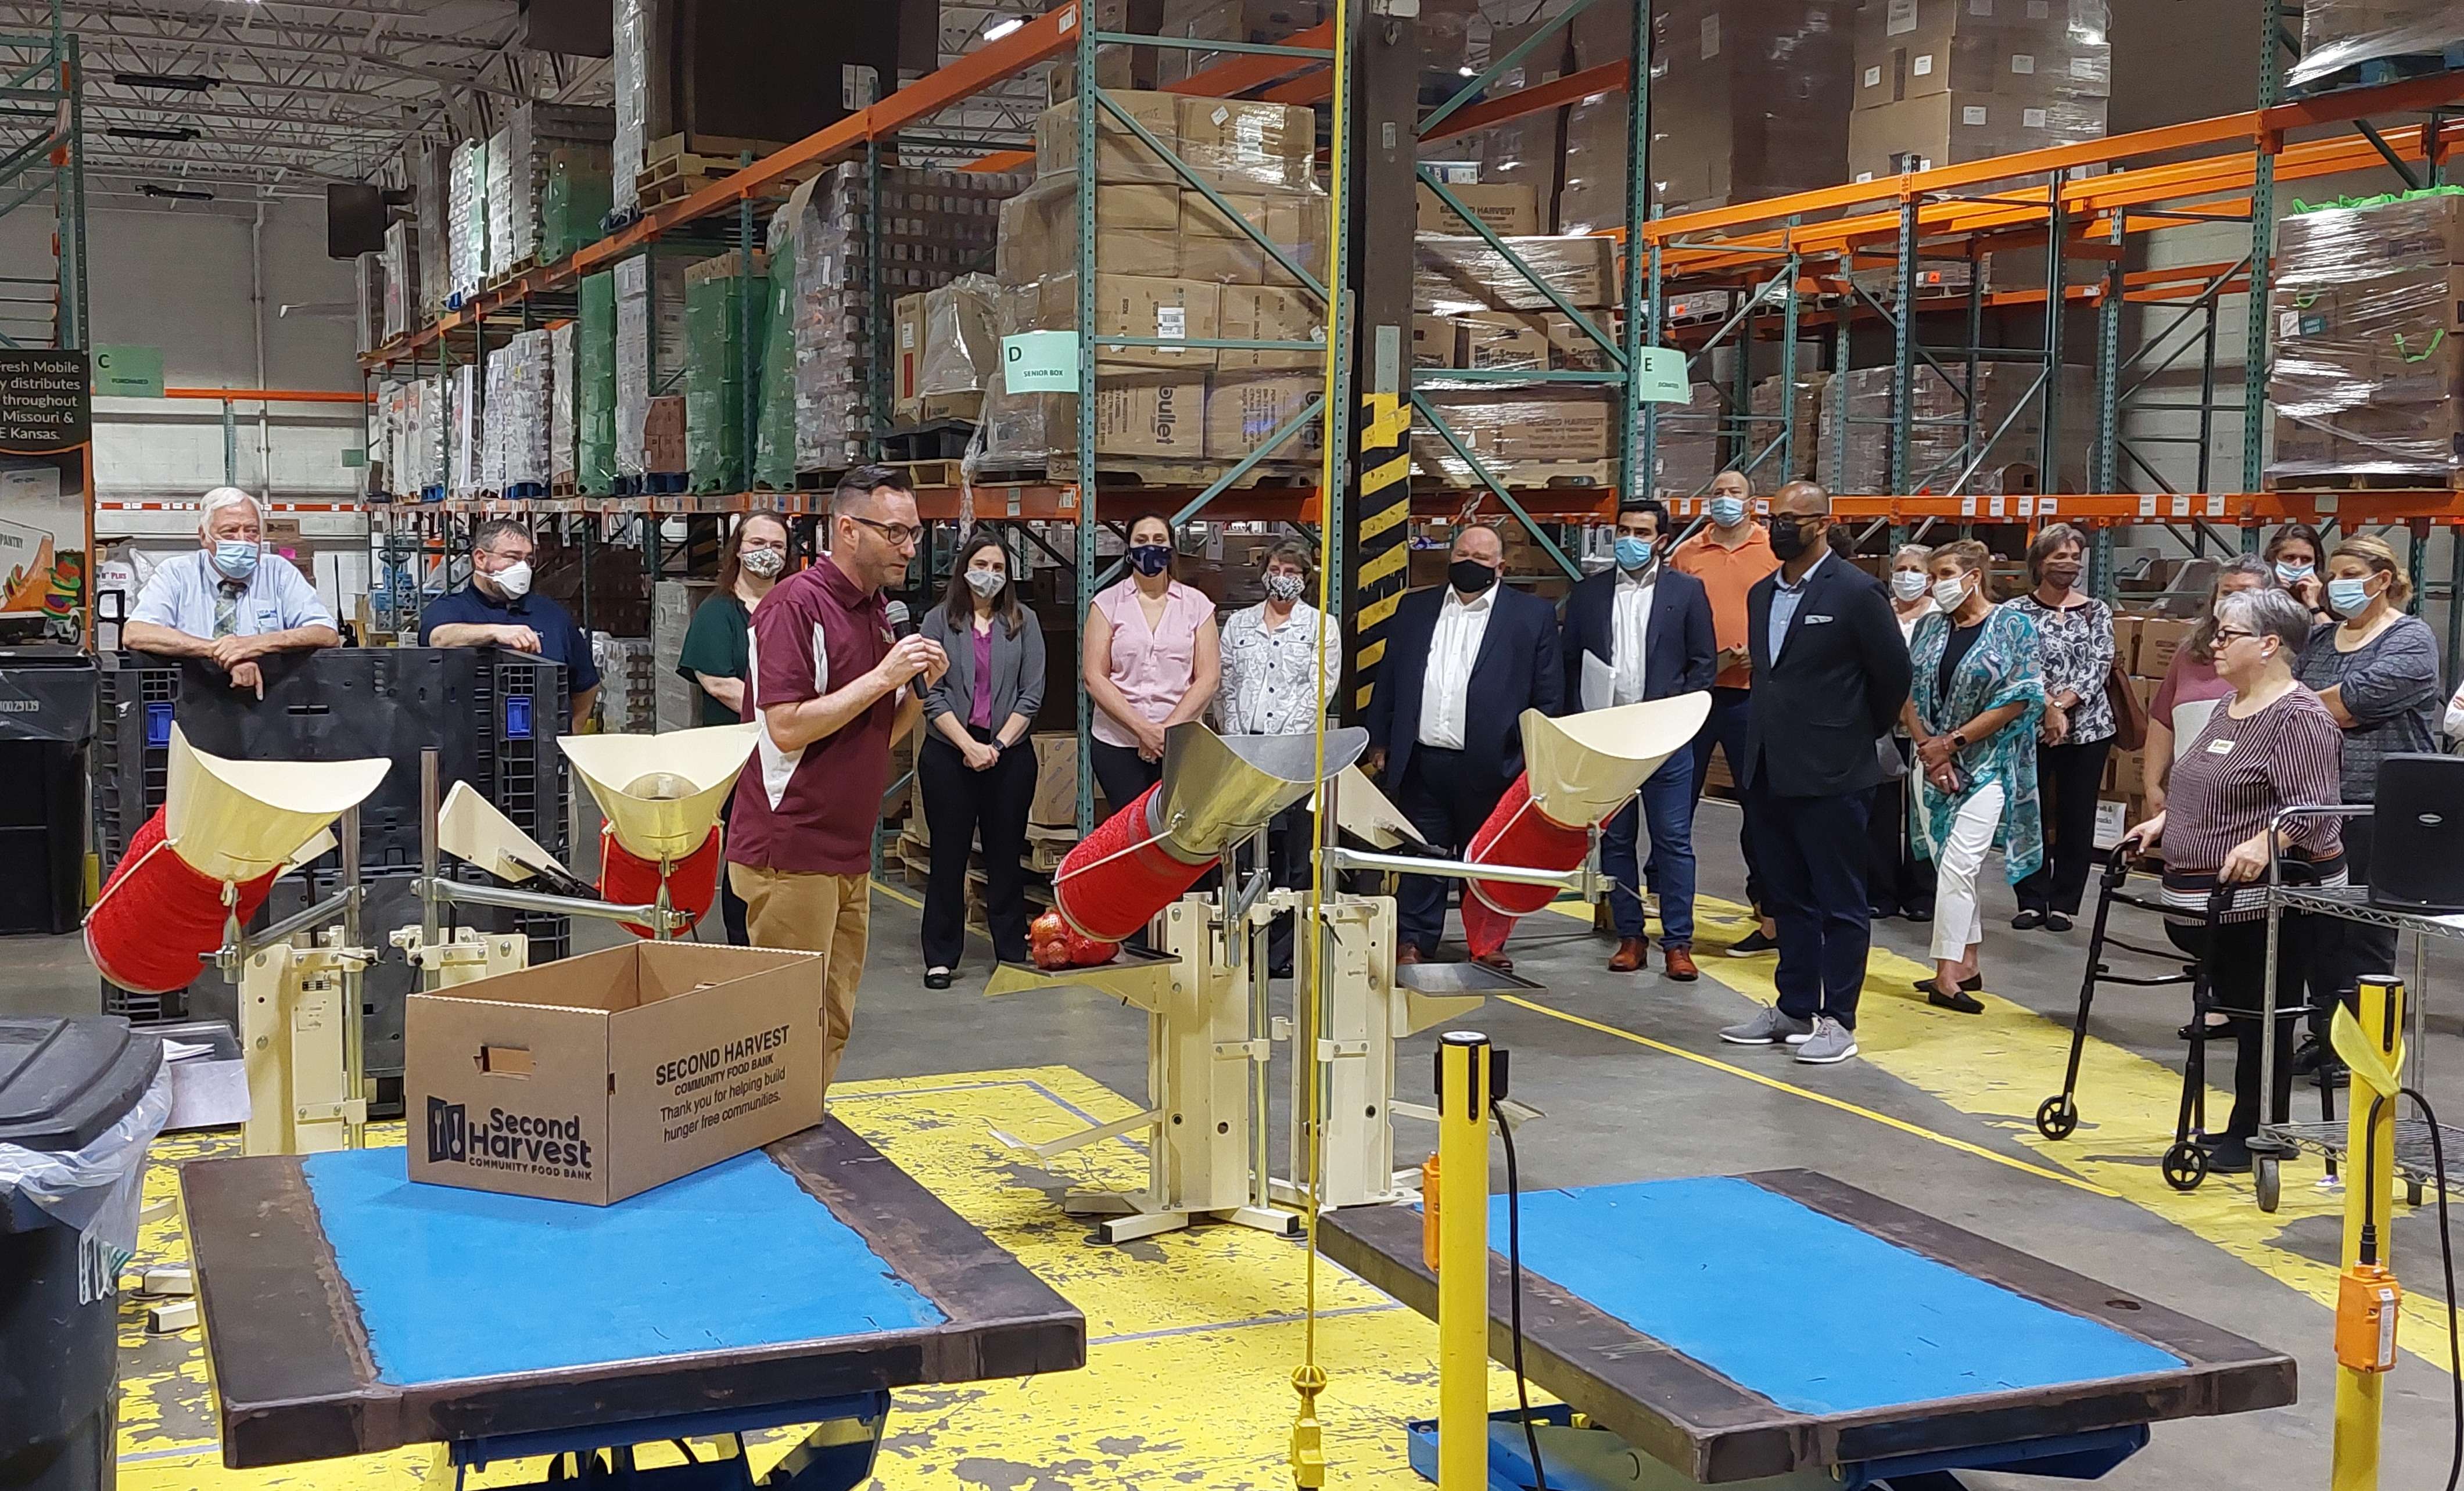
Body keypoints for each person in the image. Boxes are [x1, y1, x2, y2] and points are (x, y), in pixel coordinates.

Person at [728, 466, 945, 1100]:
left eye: (915, 533)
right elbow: (788, 727)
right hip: (792, 845)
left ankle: (800, 1123)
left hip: (849, 847)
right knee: (784, 1018)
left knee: (831, 1012)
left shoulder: (880, 611)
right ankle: (764, 1138)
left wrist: (913, 686)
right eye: (897, 533)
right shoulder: (794, 607)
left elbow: (879, 731)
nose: (910, 548)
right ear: (848, 529)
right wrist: (882, 677)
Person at [2122, 585, 2346, 1173]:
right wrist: (2165, 819)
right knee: (2244, 1009)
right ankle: (2243, 1122)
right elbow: (2208, 783)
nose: (2212, 643)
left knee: (2260, 1015)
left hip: (2269, 901)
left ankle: (2256, 1132)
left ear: (2269, 644)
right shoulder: (2230, 704)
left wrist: (2264, 840)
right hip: (2208, 902)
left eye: (2227, 634)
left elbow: (2313, 808)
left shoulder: (2297, 716)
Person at [1719, 482, 1910, 1065]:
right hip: (1768, 769)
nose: (1779, 528)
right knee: (1787, 896)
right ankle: (1794, 1005)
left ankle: (1838, 1020)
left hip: (1832, 772)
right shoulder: (1760, 594)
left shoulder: (1856, 592)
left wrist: (1850, 733)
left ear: (1822, 523)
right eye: (1772, 517)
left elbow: (1892, 676)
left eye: (1791, 519)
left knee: (1838, 901)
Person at [1363, 523, 1563, 969]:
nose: (1468, 564)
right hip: (1423, 758)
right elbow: (1390, 677)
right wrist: (1380, 737)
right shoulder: (1415, 608)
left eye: (1479, 558)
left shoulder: (1530, 616)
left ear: (1500, 566)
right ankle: (1414, 939)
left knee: (1488, 856)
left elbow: (1548, 694)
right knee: (1422, 855)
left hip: (1495, 762)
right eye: (1461, 556)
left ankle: (1487, 943)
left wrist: (1536, 758)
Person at [2292, 534, 2440, 1077]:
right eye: (2333, 574)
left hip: (2376, 808)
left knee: (2366, 934)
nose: (2337, 584)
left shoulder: (2411, 639)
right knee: (2315, 932)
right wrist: (2310, 705)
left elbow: (2351, 704)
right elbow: (2299, 701)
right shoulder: (2323, 640)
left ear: (2382, 580)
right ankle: (2326, 1036)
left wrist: (2306, 706)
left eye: (2350, 573)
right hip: (2314, 804)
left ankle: (2366, 1050)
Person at [1559, 497, 1716, 978]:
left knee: (1672, 840)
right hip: (1609, 738)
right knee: (1617, 842)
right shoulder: (1588, 595)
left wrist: (1674, 712)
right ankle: (1629, 936)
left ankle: (1677, 942)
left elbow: (1703, 663)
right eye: (1624, 531)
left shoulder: (1686, 592)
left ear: (1662, 540)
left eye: (1642, 533)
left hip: (1665, 739)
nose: (1630, 541)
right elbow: (1569, 663)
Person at [1902, 540, 2045, 1014]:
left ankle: (1944, 971)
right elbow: (1905, 688)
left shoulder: (2014, 627)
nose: (1935, 584)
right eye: (1932, 575)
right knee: (1947, 863)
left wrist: (1954, 743)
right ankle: (1968, 961)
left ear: (1973, 576)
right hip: (1931, 763)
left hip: (1989, 764)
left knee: (1961, 863)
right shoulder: (1928, 625)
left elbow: (2020, 698)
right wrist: (1930, 747)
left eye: (1943, 573)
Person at [918, 530, 1045, 988]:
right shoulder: (937, 622)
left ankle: (1010, 951)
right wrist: (968, 746)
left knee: (1005, 856)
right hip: (949, 754)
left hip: (1007, 755)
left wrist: (997, 747)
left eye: (997, 568)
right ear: (964, 568)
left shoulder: (1023, 622)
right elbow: (929, 694)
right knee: (948, 857)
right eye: (981, 565)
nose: (988, 575)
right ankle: (940, 955)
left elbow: (1032, 695)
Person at [1670, 468, 1782, 955]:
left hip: (1752, 696)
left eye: (1733, 493)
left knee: (1760, 804)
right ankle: (1664, 899)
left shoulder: (1772, 549)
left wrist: (1762, 652)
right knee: (1674, 803)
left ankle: (1769, 910)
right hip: (1695, 695)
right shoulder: (1687, 553)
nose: (1724, 500)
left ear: (1752, 502)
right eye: (1716, 492)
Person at [1218, 540, 1342, 976]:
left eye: (1291, 570)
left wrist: (1280, 750)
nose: (1281, 577)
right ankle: (1243, 944)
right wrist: (1239, 743)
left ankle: (1281, 954)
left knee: (1292, 858)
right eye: (1275, 567)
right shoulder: (1238, 625)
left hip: (1292, 759)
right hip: (1244, 755)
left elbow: (1319, 691)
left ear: (1304, 577)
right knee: (1248, 850)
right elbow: (1226, 685)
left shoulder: (1320, 627)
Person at [675, 512, 791, 944]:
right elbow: (718, 681)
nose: (767, 552)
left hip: (791, 751)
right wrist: (780, 713)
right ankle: (741, 940)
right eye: (758, 541)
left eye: (777, 545)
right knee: (745, 850)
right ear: (738, 548)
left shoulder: (794, 608)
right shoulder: (719, 611)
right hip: (739, 753)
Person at [125, 486, 339, 697]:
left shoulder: (278, 571)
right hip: (192, 698)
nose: (243, 540)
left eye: (252, 531)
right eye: (230, 532)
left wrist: (253, 645)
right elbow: (137, 633)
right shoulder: (177, 573)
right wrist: (220, 652)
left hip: (269, 700)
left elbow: (326, 633)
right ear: (204, 536)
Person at [2004, 525, 2115, 932]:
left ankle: (2065, 901)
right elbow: (2015, 665)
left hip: (2088, 729)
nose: (2068, 564)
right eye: (2059, 556)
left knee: (2076, 814)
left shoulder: (2096, 610)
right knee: (2028, 812)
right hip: (2028, 726)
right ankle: (2030, 897)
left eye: (2074, 556)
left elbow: (2099, 664)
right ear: (2039, 561)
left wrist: (2064, 704)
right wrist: (2046, 706)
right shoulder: (2014, 612)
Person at [1083, 512, 1220, 817]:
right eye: (1141, 541)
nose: (1151, 547)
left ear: (1171, 548)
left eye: (1159, 540)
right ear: (1129, 550)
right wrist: (1142, 729)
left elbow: (1208, 677)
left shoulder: (1197, 605)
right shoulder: (1106, 604)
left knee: (1179, 831)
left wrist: (1165, 733)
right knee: (1131, 832)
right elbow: (1094, 676)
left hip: (1182, 746)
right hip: (1118, 744)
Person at [419, 518, 598, 726]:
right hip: (469, 747)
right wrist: (495, 633)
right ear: (480, 558)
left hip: (538, 748)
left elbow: (586, 685)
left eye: (528, 559)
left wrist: (570, 736)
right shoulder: (450, 609)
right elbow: (440, 637)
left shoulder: (552, 616)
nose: (522, 568)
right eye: (512, 558)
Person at [2148, 556, 2275, 817]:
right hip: (2188, 800)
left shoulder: (2281, 658)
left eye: (2247, 593)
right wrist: (2152, 784)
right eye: (2227, 593)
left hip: (2252, 804)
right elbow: (2162, 720)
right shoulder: (2188, 654)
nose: (2235, 602)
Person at [1868, 544, 1939, 921]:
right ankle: (1879, 890)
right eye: (1900, 568)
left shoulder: (1940, 616)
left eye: (1914, 569)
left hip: (1926, 728)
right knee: (1880, 812)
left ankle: (1921, 892)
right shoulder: (1879, 612)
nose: (1905, 576)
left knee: (1921, 810)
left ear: (1928, 579)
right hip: (1881, 726)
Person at [2266, 523, 2327, 621]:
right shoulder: (2258, 591)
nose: (2297, 565)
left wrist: (2314, 606)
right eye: (2289, 558)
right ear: (2274, 558)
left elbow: (2332, 635)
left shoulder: (2329, 597)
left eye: (2306, 559)